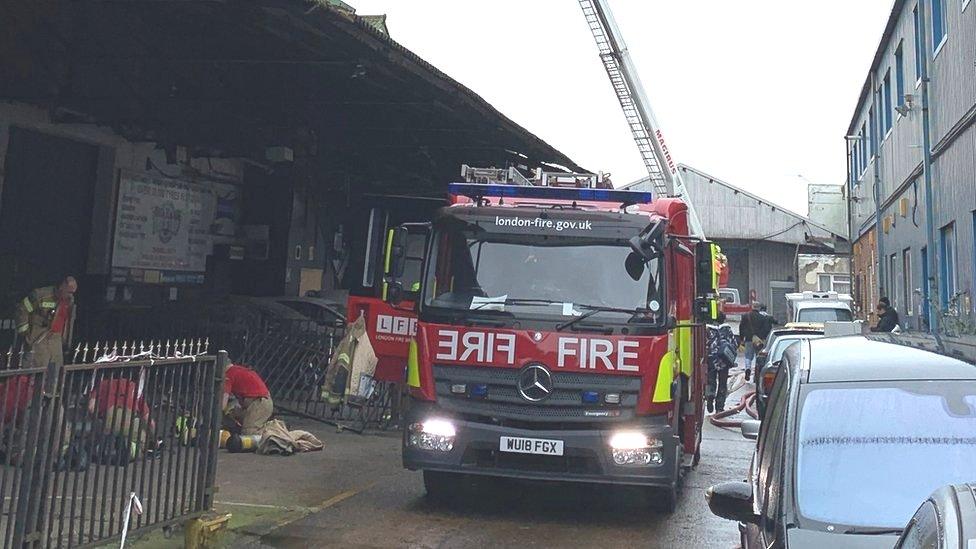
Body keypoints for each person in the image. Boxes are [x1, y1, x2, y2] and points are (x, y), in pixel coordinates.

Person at [14, 276, 78, 368]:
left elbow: (67, 321)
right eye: (69, 292)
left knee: (55, 369)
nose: (71, 295)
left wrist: (65, 340)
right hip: (39, 337)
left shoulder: (69, 301)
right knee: (37, 367)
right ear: (62, 286)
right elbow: (22, 309)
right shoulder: (41, 295)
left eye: (73, 292)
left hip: (56, 339)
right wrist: (25, 332)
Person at [223, 363, 273, 435]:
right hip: (260, 402)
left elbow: (222, 404)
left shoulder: (229, 374)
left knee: (249, 432)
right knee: (232, 413)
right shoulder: (238, 370)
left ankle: (275, 434)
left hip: (258, 402)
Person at [706, 313, 737, 413]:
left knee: (710, 381)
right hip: (724, 360)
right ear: (724, 319)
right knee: (723, 383)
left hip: (711, 360)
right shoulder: (727, 330)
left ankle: (710, 397)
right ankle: (719, 407)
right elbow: (734, 344)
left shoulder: (707, 329)